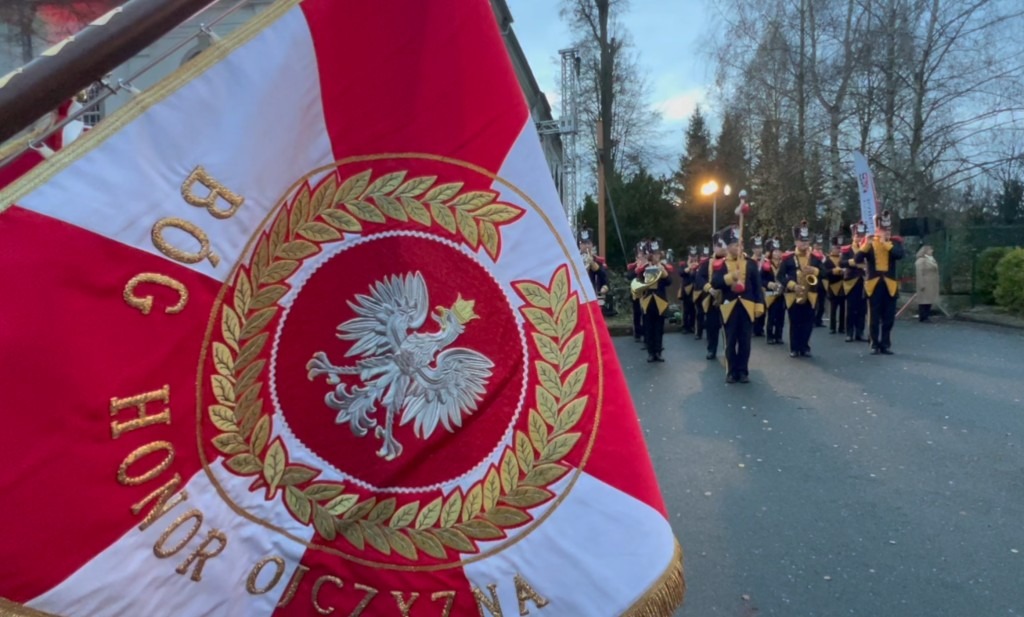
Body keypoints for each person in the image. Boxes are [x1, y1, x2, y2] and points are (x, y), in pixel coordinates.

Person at [711, 226, 764, 383]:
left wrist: (759, 305)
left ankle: (743, 371)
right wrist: (730, 277)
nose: (739, 247)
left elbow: (757, 286)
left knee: (745, 341)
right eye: (735, 245)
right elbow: (715, 282)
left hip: (747, 306)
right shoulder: (721, 264)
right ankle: (731, 371)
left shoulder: (750, 263)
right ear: (728, 247)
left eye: (740, 244)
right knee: (730, 341)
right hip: (729, 307)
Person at [856, 210, 904, 354]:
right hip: (874, 284)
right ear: (877, 229)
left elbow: (899, 255)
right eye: (883, 229)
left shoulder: (894, 243)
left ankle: (885, 343)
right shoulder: (870, 242)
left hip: (890, 284)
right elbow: (858, 259)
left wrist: (886, 244)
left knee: (889, 317)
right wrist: (866, 244)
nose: (886, 232)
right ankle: (874, 343)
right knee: (874, 316)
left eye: (888, 229)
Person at [781, 220, 824, 358]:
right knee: (795, 322)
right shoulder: (788, 258)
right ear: (796, 242)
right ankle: (794, 348)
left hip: (810, 294)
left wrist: (815, 271)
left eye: (806, 241)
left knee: (808, 322)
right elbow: (780, 276)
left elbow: (825, 273)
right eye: (802, 241)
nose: (805, 243)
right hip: (794, 294)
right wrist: (792, 285)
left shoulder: (815, 258)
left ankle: (805, 347)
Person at [636, 239, 673, 362]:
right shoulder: (644, 268)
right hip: (647, 301)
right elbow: (638, 281)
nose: (655, 257)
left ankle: (658, 351)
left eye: (657, 254)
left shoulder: (663, 267)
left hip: (660, 300)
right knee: (648, 327)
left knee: (659, 328)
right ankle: (651, 352)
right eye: (653, 254)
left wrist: (664, 273)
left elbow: (669, 282)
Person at [842, 221, 869, 342]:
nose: (860, 238)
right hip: (851, 281)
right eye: (858, 236)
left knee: (862, 309)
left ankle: (860, 332)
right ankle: (849, 332)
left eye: (862, 236)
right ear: (853, 236)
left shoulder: (867, 248)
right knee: (851, 308)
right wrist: (855, 263)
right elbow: (841, 262)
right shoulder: (847, 249)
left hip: (864, 280)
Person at [701, 238, 727, 360]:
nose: (721, 248)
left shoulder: (730, 261)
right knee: (712, 326)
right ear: (714, 247)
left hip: (727, 297)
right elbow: (700, 278)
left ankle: (729, 349)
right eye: (718, 245)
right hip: (712, 297)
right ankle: (711, 349)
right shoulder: (707, 262)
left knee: (729, 326)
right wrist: (709, 289)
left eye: (723, 245)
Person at [763, 238, 786, 345]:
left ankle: (779, 336)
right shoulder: (766, 265)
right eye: (775, 251)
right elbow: (761, 279)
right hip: (771, 293)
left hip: (782, 293)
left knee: (781, 316)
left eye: (779, 251)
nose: (777, 253)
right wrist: (769, 284)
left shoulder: (784, 264)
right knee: (771, 315)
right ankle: (769, 336)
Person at [823, 235, 846, 334]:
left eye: (839, 248)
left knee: (843, 308)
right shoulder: (827, 260)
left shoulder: (843, 259)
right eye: (836, 248)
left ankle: (842, 327)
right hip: (832, 285)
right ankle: (832, 327)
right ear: (832, 248)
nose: (838, 250)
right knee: (833, 308)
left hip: (843, 285)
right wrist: (833, 271)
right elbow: (824, 272)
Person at [626, 242, 647, 341]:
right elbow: (629, 276)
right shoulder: (634, 267)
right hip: (636, 293)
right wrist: (636, 270)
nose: (640, 259)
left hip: (646, 293)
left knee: (646, 314)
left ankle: (646, 333)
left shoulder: (647, 267)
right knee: (637, 313)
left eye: (642, 256)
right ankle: (637, 333)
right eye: (639, 257)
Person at [915, 244, 939, 322]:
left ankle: (926, 316)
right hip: (925, 283)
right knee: (923, 301)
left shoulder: (931, 259)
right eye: (930, 250)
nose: (932, 251)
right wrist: (921, 284)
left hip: (931, 283)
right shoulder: (921, 260)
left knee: (929, 300)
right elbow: (919, 273)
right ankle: (923, 316)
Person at [679, 246, 699, 334]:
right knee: (686, 309)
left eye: (694, 256)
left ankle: (692, 326)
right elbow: (681, 273)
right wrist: (690, 267)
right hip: (686, 290)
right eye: (691, 256)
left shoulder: (699, 265)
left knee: (693, 310)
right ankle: (685, 326)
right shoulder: (684, 264)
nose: (693, 258)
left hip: (695, 289)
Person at [750, 235, 766, 338]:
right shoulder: (750, 261)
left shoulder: (765, 260)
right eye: (756, 248)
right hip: (753, 288)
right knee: (752, 308)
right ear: (752, 249)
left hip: (763, 288)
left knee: (763, 308)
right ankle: (753, 328)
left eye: (760, 247)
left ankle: (760, 328)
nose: (758, 250)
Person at [812, 233, 827, 327]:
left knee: (822, 303)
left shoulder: (824, 256)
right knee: (814, 302)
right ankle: (812, 320)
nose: (819, 246)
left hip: (823, 282)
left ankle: (819, 320)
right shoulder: (811, 255)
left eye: (820, 244)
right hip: (814, 281)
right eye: (817, 244)